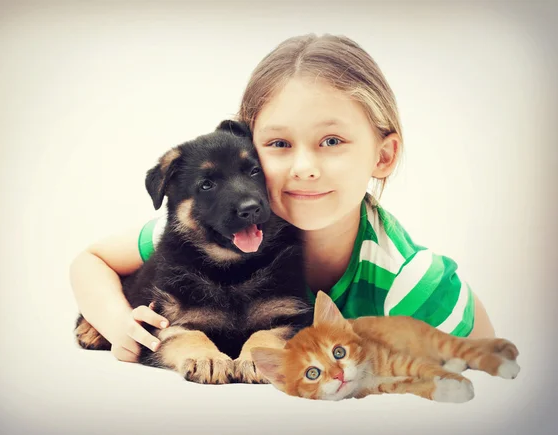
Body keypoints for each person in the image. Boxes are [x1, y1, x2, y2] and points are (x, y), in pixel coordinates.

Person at [69, 33, 495, 363]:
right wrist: (116, 322)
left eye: (332, 140)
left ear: (382, 156)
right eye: (278, 143)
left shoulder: (413, 285)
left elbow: (490, 375)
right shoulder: (214, 234)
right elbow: (91, 261)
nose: (304, 167)